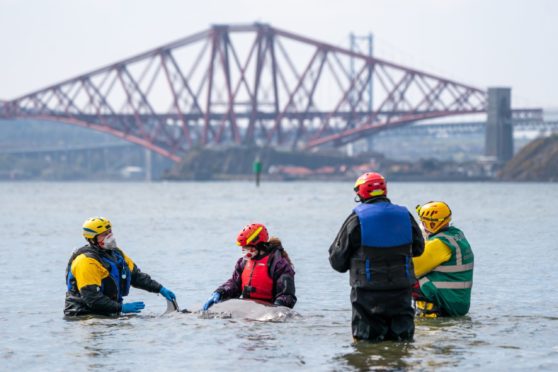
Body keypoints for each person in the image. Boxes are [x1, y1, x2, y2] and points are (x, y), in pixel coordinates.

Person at [329, 172, 424, 342]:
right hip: (401, 292)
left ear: (361, 192)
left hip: (367, 294)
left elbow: (337, 261)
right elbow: (419, 249)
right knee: (402, 344)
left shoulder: (356, 219)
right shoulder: (405, 216)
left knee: (366, 347)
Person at [64, 217, 176, 317]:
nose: (110, 237)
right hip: (82, 315)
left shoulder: (116, 253)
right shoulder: (86, 261)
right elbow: (92, 298)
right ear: (92, 239)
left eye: (110, 232)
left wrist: (160, 288)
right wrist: (121, 308)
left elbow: (136, 276)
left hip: (108, 313)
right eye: (104, 234)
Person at [203, 223, 296, 311]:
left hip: (269, 311)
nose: (245, 251)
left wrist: (276, 309)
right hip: (248, 311)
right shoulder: (243, 262)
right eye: (243, 248)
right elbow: (235, 284)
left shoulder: (279, 264)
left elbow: (287, 295)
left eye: (247, 247)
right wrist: (220, 292)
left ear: (259, 245)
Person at [412, 201, 474, 317]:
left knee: (403, 276)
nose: (422, 224)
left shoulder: (439, 244)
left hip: (444, 303)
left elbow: (413, 268)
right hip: (458, 302)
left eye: (423, 222)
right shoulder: (456, 235)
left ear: (432, 224)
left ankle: (424, 315)